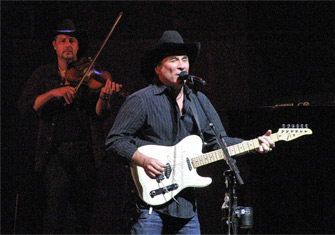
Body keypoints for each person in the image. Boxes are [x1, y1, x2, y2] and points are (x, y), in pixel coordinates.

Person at [105, 30, 275, 234]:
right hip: (148, 207)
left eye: (184, 59)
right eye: (174, 59)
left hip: (186, 208)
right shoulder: (141, 100)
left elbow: (217, 142)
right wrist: (143, 160)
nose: (181, 65)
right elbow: (115, 140)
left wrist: (254, 144)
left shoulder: (199, 101)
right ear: (158, 68)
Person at [17, 19, 122, 234]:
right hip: (54, 152)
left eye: (72, 41)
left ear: (77, 46)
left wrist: (104, 97)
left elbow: (100, 114)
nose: (68, 45)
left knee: (83, 211)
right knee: (56, 202)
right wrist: (53, 92)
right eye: (63, 40)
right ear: (54, 45)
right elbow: (27, 107)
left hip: (86, 151)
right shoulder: (43, 74)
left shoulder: (89, 74)